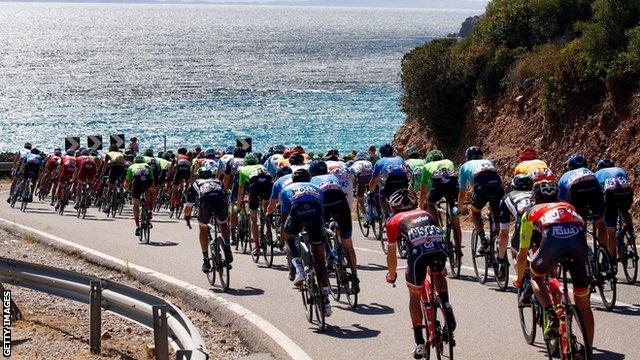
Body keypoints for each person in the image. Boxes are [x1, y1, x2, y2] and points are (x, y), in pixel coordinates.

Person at [515, 180, 594, 348]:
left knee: (535, 277)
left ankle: (550, 311)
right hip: (578, 245)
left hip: (551, 243)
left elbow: (522, 255)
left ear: (535, 197)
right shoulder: (569, 206)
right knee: (583, 304)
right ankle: (587, 351)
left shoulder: (529, 212)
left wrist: (519, 279)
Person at [384, 189, 456, 359]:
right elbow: (437, 232)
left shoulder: (393, 221)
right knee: (438, 274)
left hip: (418, 254)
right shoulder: (425, 212)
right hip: (438, 247)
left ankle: (419, 343)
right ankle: (446, 304)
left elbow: (392, 254)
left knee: (414, 295)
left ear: (394, 208)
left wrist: (391, 275)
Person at [279, 169, 332, 316]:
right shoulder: (317, 188)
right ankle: (326, 300)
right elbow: (321, 213)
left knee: (288, 237)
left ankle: (298, 268)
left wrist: (284, 234)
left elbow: (284, 216)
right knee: (320, 263)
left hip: (297, 212)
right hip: (315, 215)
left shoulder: (286, 189)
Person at [309, 160, 359, 293]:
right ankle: (354, 275)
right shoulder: (333, 177)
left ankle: (329, 254)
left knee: (320, 231)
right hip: (340, 201)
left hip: (324, 202)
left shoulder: (312, 180)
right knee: (348, 243)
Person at [558, 154, 610, 259]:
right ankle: (605, 255)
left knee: (580, 225)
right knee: (600, 222)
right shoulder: (590, 172)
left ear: (570, 166)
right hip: (594, 188)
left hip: (576, 192)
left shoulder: (565, 175)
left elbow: (561, 200)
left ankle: (584, 256)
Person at [184, 164, 233, 273]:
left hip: (206, 200)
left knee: (203, 228)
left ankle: (206, 260)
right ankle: (227, 246)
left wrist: (186, 216)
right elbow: (225, 193)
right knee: (223, 223)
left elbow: (188, 206)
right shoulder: (217, 181)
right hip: (220, 198)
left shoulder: (196, 183)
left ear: (198, 175)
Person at [458, 146, 504, 254]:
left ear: (467, 157)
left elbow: (462, 191)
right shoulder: (489, 162)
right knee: (496, 213)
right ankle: (499, 240)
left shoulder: (464, 166)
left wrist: (460, 206)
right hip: (498, 189)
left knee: (475, 212)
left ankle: (483, 240)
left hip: (482, 191)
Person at [419, 149, 462, 258]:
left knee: (430, 202)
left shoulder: (427, 166)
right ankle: (458, 248)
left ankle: (436, 225)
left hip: (438, 189)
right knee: (455, 222)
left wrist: (421, 208)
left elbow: (423, 191)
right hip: (452, 188)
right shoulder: (449, 162)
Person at [595, 158, 633, 262]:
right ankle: (630, 232)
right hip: (626, 193)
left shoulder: (597, 174)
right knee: (624, 210)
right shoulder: (620, 169)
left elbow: (597, 194)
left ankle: (612, 260)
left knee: (611, 232)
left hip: (611, 195)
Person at [235, 154, 273, 256]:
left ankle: (256, 247)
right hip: (268, 183)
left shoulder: (243, 170)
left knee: (253, 219)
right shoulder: (262, 166)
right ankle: (268, 233)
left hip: (255, 185)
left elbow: (240, 192)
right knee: (266, 210)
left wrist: (238, 207)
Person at [498, 174, 535, 277]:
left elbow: (504, 233)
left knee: (515, 254)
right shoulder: (536, 193)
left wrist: (501, 258)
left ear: (514, 185)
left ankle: (524, 278)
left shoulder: (507, 197)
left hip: (523, 225)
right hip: (542, 224)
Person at [369, 144, 409, 220]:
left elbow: (373, 180)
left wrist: (371, 192)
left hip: (391, 181)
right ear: (392, 151)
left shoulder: (379, 162)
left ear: (381, 153)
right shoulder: (399, 158)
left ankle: (387, 215)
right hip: (404, 180)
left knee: (381, 197)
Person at [125, 156, 155, 237]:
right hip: (147, 181)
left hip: (137, 182)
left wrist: (126, 189)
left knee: (135, 204)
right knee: (147, 190)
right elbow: (152, 180)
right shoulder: (147, 166)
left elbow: (127, 181)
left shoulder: (131, 166)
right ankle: (149, 209)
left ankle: (137, 226)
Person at [349, 152, 374, 224]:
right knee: (372, 193)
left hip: (362, 179)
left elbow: (352, 177)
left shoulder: (354, 164)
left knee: (360, 200)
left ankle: (366, 218)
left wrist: (353, 187)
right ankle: (375, 209)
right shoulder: (368, 162)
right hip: (371, 178)